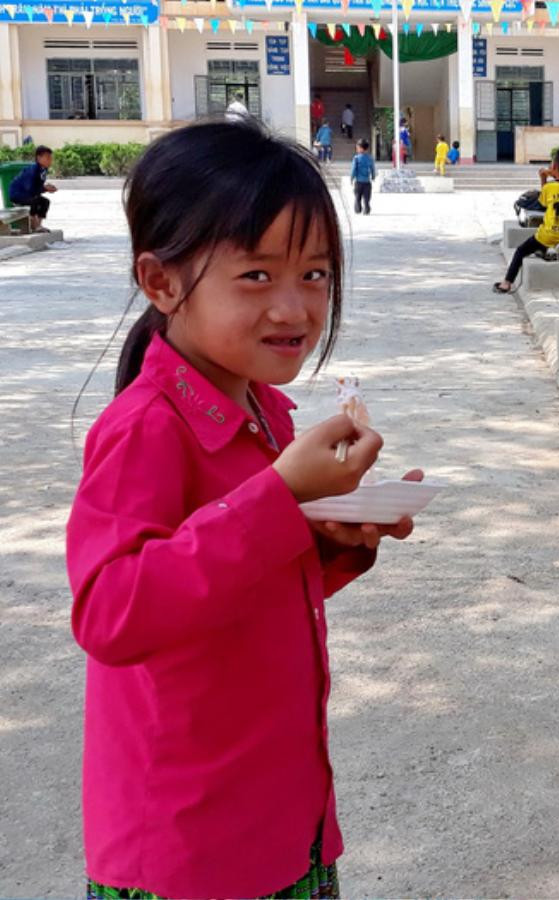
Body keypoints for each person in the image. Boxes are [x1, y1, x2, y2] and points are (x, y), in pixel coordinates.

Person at [66, 119, 423, 899]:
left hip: (282, 820)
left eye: (317, 274)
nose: (294, 307)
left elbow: (235, 587)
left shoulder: (265, 412)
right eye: (257, 276)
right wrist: (278, 500)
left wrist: (333, 539)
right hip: (191, 850)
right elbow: (111, 613)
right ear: (162, 283)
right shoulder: (145, 429)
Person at [492, 147, 559, 294]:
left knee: (521, 250)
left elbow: (543, 204)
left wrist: (543, 178)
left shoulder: (549, 187)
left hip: (549, 235)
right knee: (540, 243)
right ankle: (544, 251)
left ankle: (506, 283)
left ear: (554, 166)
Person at [8, 144, 57, 233]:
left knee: (45, 202)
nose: (50, 160)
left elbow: (37, 187)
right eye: (47, 158)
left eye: (51, 158)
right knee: (35, 200)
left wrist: (46, 188)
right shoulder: (33, 169)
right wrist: (45, 188)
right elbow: (30, 189)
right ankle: (34, 225)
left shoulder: (43, 169)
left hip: (28, 193)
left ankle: (39, 225)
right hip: (17, 194)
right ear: (39, 158)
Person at [350, 137, 375, 215]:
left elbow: (353, 169)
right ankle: (366, 209)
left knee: (357, 196)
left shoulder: (356, 158)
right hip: (367, 182)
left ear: (361, 148)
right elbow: (372, 168)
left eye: (357, 148)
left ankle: (358, 209)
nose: (356, 149)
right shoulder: (370, 158)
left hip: (358, 182)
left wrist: (351, 178)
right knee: (366, 197)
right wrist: (373, 176)